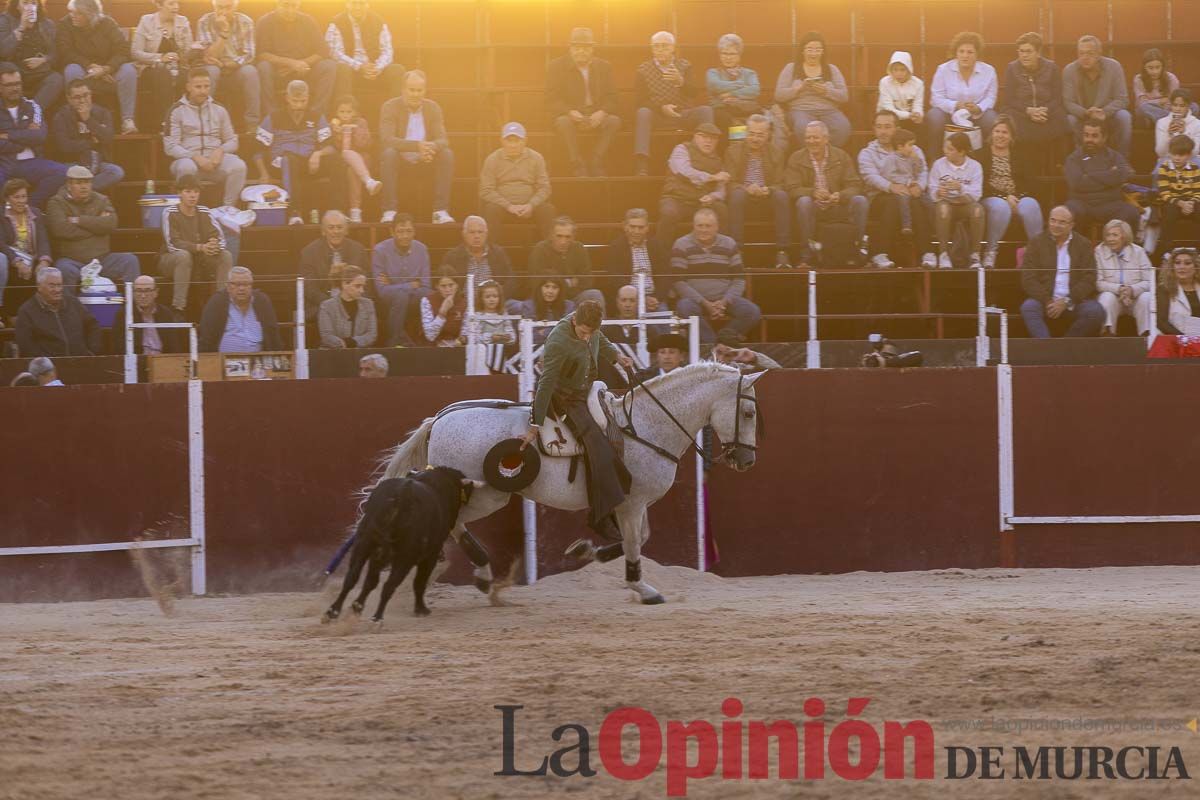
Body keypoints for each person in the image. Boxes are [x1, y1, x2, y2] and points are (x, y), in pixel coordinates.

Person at [522, 299, 634, 541]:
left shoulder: (591, 328)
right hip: (565, 398)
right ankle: (600, 516)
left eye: (590, 332)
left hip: (587, 390)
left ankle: (613, 503)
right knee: (598, 446)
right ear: (574, 320)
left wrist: (617, 358)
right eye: (583, 332)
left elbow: (600, 341)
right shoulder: (558, 341)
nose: (586, 337)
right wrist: (535, 424)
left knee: (616, 434)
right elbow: (546, 383)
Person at [254, 79, 341, 226]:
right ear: (287, 98)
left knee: (338, 160)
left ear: (308, 98)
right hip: (281, 164)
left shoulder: (317, 116)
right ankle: (295, 212)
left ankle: (338, 211)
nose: (299, 105)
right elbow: (257, 149)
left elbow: (331, 146)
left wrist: (318, 154)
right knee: (289, 159)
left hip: (309, 163)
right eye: (295, 101)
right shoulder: (274, 117)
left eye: (303, 101)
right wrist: (264, 173)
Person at [858, 109, 936, 268]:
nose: (883, 131)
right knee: (894, 201)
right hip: (879, 197)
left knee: (915, 201)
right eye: (879, 127)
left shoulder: (912, 148)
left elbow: (923, 171)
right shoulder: (867, 153)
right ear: (874, 129)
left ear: (897, 128)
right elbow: (870, 176)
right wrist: (891, 186)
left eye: (887, 127)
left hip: (909, 193)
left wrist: (919, 187)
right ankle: (880, 254)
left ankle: (927, 253)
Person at [671, 207, 760, 344]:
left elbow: (739, 279)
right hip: (696, 300)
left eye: (708, 226)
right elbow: (679, 282)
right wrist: (706, 304)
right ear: (693, 226)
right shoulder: (681, 244)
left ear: (717, 227)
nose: (704, 230)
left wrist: (724, 302)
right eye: (700, 225)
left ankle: (723, 341)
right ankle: (712, 343)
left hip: (724, 299)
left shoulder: (729, 243)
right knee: (684, 307)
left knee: (752, 312)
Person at [785, 119, 867, 266]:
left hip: (837, 206)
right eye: (808, 137)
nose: (811, 141)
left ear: (826, 139)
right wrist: (812, 192)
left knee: (860, 201)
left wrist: (840, 195)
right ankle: (806, 255)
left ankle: (857, 249)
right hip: (812, 207)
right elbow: (791, 188)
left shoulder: (841, 156)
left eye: (815, 137)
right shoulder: (796, 158)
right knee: (803, 202)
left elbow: (855, 184)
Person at [45, 164, 138, 292]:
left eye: (88, 182)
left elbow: (111, 224)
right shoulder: (56, 202)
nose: (84, 187)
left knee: (130, 260)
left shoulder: (101, 200)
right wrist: (97, 228)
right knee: (64, 269)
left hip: (101, 259)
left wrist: (79, 220)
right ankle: (70, 310)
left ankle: (130, 306)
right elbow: (60, 229)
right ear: (68, 184)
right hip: (72, 261)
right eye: (79, 183)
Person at [379, 69, 454, 226]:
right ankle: (389, 211)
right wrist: (416, 146)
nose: (415, 94)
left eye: (419, 90)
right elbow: (387, 140)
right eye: (411, 90)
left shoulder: (433, 108)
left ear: (425, 91)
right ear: (403, 90)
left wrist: (431, 147)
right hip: (400, 160)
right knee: (388, 153)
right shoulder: (390, 107)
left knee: (446, 154)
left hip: (425, 160)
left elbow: (443, 140)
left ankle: (440, 211)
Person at [632, 31, 712, 176]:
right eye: (656, 46)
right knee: (642, 112)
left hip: (683, 114)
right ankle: (641, 163)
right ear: (652, 49)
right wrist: (661, 108)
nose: (660, 50)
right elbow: (640, 101)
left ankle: (706, 159)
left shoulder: (685, 66)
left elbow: (694, 92)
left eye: (665, 46)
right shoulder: (643, 70)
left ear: (673, 48)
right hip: (658, 116)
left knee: (706, 111)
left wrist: (680, 82)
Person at [164, 68, 246, 210]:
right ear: (188, 87)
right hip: (188, 161)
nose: (203, 91)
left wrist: (220, 150)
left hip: (215, 162)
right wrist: (194, 156)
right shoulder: (176, 110)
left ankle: (228, 209)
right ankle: (187, 211)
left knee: (239, 166)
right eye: (198, 87)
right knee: (186, 166)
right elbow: (170, 146)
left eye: (206, 86)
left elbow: (233, 140)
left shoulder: (219, 109)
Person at [1019, 204, 1104, 338]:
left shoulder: (1083, 244)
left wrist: (1066, 301)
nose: (1056, 225)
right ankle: (1047, 347)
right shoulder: (1036, 243)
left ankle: (1065, 345)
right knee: (1028, 307)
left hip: (1073, 301)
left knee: (1096, 311)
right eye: (1053, 220)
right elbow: (1028, 278)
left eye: (1062, 222)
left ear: (1072, 225)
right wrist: (1048, 301)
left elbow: (1089, 278)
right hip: (1045, 300)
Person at [545, 27, 619, 178]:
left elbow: (613, 97)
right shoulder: (555, 66)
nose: (581, 51)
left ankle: (596, 160)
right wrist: (569, 112)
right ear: (570, 48)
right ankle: (577, 163)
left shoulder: (604, 67)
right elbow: (551, 99)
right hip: (570, 115)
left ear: (592, 49)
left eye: (585, 48)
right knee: (563, 122)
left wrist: (602, 112)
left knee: (614, 121)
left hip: (596, 114)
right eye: (576, 47)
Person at [57, 0, 137, 134]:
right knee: (71, 70)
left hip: (109, 74)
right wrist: (90, 67)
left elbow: (123, 50)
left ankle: (127, 120)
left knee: (129, 70)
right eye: (71, 11)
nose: (72, 15)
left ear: (90, 15)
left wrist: (106, 69)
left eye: (78, 13)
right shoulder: (65, 24)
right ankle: (79, 119)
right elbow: (65, 52)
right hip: (84, 72)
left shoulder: (108, 23)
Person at [723, 113, 789, 268]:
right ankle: (737, 250)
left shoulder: (777, 152)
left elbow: (781, 183)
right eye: (751, 134)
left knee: (781, 196)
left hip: (767, 199)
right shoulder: (732, 151)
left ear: (768, 135)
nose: (755, 139)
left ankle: (782, 251)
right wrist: (746, 188)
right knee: (737, 194)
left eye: (760, 135)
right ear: (746, 133)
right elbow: (729, 183)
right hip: (742, 199)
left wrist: (769, 189)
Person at [976, 115, 1043, 269]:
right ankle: (990, 252)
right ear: (991, 134)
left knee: (1031, 205)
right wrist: (1004, 197)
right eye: (997, 131)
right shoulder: (980, 155)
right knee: (1001, 206)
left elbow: (1031, 182)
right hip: (990, 197)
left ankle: (1037, 253)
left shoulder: (1020, 155)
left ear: (1012, 136)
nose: (1000, 135)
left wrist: (1016, 197)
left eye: (1005, 132)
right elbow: (980, 185)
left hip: (1016, 197)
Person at [158, 173, 231, 312]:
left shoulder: (204, 211)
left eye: (196, 192)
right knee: (183, 256)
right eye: (188, 191)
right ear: (179, 193)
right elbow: (172, 244)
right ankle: (178, 307)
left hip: (199, 259)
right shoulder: (170, 212)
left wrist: (213, 246)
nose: (193, 196)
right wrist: (200, 247)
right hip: (171, 260)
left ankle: (223, 304)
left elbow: (221, 238)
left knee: (225, 255)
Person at [999, 32, 1069, 167]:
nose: (1024, 55)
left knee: (1062, 120)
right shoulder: (1012, 68)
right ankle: (1020, 164)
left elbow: (1057, 97)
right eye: (1021, 51)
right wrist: (1028, 111)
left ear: (1038, 53)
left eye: (1029, 51)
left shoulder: (1052, 68)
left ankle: (1059, 164)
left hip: (1046, 111)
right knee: (1010, 119)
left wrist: (1044, 110)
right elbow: (1009, 99)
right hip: (1021, 110)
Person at [255, 0, 335, 117]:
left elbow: (323, 51)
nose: (290, 10)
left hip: (305, 70)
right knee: (263, 67)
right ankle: (271, 115)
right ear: (277, 4)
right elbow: (261, 53)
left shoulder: (308, 21)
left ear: (299, 6)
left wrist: (302, 63)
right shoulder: (265, 22)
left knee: (329, 65)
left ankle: (318, 114)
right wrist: (290, 63)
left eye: (294, 6)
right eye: (286, 5)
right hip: (278, 72)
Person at [0, 62, 64, 208]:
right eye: (9, 85)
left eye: (18, 83)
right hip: (3, 163)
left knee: (62, 172)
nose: (15, 88)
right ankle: (6, 217)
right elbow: (32, 137)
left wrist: (7, 136)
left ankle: (28, 208)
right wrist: (26, 138)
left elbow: (39, 137)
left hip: (30, 163)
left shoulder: (33, 106)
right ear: (0, 88)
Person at [478, 121, 555, 242]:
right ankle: (493, 253)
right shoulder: (492, 159)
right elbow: (485, 190)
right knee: (490, 210)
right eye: (509, 140)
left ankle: (550, 252)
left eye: (517, 140)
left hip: (530, 207)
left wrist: (531, 205)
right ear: (502, 141)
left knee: (547, 209)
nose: (513, 145)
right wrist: (508, 206)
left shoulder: (536, 158)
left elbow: (545, 188)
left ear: (525, 141)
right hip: (503, 207)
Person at [773, 30, 850, 147]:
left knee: (843, 127)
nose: (813, 54)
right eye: (809, 49)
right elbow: (779, 95)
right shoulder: (791, 68)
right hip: (801, 110)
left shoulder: (832, 69)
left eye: (818, 50)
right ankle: (811, 156)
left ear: (823, 52)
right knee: (803, 127)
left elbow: (844, 96)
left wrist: (826, 91)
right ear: (802, 51)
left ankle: (828, 155)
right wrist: (798, 89)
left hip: (829, 110)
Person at [657, 122, 728, 247]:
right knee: (669, 213)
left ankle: (721, 253)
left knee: (721, 209)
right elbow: (683, 171)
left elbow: (721, 190)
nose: (709, 142)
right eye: (704, 137)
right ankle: (661, 255)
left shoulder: (717, 161)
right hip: (676, 198)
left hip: (699, 202)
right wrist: (711, 177)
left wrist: (712, 197)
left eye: (713, 138)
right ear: (695, 136)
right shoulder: (682, 149)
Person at [927, 31, 997, 156]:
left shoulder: (989, 71)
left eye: (970, 52)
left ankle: (987, 162)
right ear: (956, 53)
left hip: (977, 114)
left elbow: (991, 97)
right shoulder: (943, 69)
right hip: (948, 113)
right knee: (934, 117)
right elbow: (936, 98)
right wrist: (955, 105)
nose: (965, 56)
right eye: (961, 51)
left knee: (992, 119)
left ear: (977, 54)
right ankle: (934, 160)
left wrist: (978, 108)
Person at [195, 0, 260, 135]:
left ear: (235, 8)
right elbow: (208, 56)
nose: (223, 12)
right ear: (214, 7)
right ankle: (204, 122)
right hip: (214, 70)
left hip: (236, 71)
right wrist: (224, 32)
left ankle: (252, 124)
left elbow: (249, 55)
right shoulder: (204, 22)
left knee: (250, 71)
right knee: (211, 71)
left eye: (228, 7)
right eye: (220, 7)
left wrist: (225, 64)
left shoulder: (245, 22)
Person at [1064, 119, 1138, 231]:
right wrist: (1109, 175)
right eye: (1086, 135)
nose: (1089, 140)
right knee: (1069, 211)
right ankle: (1076, 246)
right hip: (1082, 203)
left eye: (1094, 136)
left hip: (1109, 204)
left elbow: (1122, 175)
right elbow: (1077, 183)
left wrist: (1088, 176)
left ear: (1104, 137)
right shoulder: (1073, 158)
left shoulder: (1115, 156)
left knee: (1130, 211)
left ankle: (1114, 247)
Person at [1063, 35, 1131, 156]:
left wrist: (1104, 112)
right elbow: (1068, 102)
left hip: (1107, 117)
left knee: (1124, 116)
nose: (1085, 57)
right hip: (1083, 117)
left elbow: (1122, 99)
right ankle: (1082, 160)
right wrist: (1086, 113)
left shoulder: (1114, 66)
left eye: (1089, 53)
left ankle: (1121, 160)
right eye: (1081, 53)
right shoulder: (1069, 70)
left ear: (1099, 54)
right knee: (1070, 119)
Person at [324, 0, 404, 102]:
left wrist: (376, 68)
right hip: (351, 71)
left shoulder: (379, 21)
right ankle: (344, 113)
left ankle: (394, 112)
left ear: (367, 4)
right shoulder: (336, 22)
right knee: (342, 69)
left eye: (361, 3)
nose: (358, 7)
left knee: (397, 69)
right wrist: (359, 66)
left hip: (374, 71)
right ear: (347, 4)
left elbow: (388, 51)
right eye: (354, 3)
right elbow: (334, 53)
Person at [50, 79, 121, 193]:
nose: (82, 100)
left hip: (98, 161)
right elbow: (64, 146)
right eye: (77, 97)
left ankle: (79, 192)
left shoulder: (102, 113)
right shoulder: (61, 116)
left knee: (116, 172)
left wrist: (88, 119)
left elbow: (108, 139)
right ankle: (81, 192)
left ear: (91, 94)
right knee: (59, 174)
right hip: (73, 163)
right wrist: (91, 143)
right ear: (69, 99)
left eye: (85, 95)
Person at [299, 209, 366, 327]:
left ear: (346, 230)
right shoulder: (309, 252)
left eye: (340, 227)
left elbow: (366, 282)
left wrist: (349, 300)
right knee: (331, 312)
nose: (336, 231)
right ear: (323, 231)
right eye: (331, 227)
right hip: (322, 303)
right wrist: (329, 279)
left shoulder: (358, 250)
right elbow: (310, 290)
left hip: (353, 300)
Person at [131, 0, 193, 126]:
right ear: (159, 5)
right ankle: (167, 122)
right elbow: (135, 52)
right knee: (163, 74)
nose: (176, 7)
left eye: (177, 3)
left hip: (177, 67)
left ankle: (188, 122)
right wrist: (160, 57)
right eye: (171, 3)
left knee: (187, 76)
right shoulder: (146, 21)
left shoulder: (183, 21)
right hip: (152, 68)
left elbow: (189, 51)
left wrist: (183, 55)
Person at [372, 212, 429, 346]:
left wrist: (394, 286)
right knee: (400, 297)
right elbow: (382, 291)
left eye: (409, 231)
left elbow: (426, 287)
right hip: (389, 302)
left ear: (414, 232)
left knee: (428, 296)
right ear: (392, 232)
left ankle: (424, 341)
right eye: (400, 231)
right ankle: (394, 341)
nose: (405, 236)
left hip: (415, 298)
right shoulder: (380, 251)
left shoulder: (422, 249)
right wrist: (411, 285)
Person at [15, 264, 99, 355]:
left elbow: (92, 324)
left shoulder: (73, 302)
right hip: (50, 367)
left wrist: (92, 351)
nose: (57, 290)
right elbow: (26, 345)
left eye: (59, 285)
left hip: (81, 363)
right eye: (52, 286)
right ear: (39, 286)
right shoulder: (26, 311)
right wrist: (46, 364)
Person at [928, 132, 984, 268]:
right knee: (943, 209)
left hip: (965, 205)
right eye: (945, 147)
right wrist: (938, 192)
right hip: (945, 203)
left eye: (950, 149)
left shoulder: (975, 166)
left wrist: (960, 187)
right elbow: (931, 189)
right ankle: (943, 254)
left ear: (962, 152)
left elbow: (977, 194)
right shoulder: (938, 164)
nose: (945, 151)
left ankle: (975, 255)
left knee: (978, 210)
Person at [525, 215, 604, 310]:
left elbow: (587, 280)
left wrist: (560, 285)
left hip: (573, 298)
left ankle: (599, 325)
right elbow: (537, 282)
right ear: (551, 235)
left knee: (595, 294)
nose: (563, 241)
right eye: (559, 236)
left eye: (568, 237)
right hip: (548, 298)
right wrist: (569, 282)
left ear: (573, 237)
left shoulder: (579, 248)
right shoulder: (540, 249)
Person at [198, 265, 282, 352]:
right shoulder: (217, 302)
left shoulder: (262, 301)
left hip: (258, 362)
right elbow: (206, 337)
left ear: (251, 285)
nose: (241, 288)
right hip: (223, 362)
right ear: (228, 286)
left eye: (246, 284)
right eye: (237, 284)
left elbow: (273, 335)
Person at [0, 0, 62, 112]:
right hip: (14, 70)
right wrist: (22, 27)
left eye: (33, 3)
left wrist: (44, 59)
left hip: (39, 72)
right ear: (17, 5)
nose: (30, 7)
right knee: (7, 70)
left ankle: (32, 112)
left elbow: (56, 53)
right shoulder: (4, 21)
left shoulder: (47, 24)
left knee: (56, 79)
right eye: (25, 2)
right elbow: (3, 51)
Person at [1094, 219, 1152, 336]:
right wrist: (1119, 289)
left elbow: (1150, 281)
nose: (1110, 239)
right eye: (1107, 235)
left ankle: (1146, 337)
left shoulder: (1139, 252)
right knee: (1106, 297)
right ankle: (1108, 335)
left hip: (1135, 298)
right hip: (1115, 298)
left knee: (1146, 298)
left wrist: (1132, 290)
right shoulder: (1099, 251)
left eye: (1115, 235)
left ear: (1124, 237)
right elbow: (1098, 283)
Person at [442, 215, 515, 305]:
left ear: (486, 234)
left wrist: (497, 300)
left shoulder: (498, 253)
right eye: (472, 232)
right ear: (464, 234)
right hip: (463, 306)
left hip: (494, 304)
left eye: (480, 232)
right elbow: (445, 284)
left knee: (518, 306)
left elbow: (510, 281)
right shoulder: (452, 256)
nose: (477, 236)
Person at [604, 207, 666, 312]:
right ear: (625, 227)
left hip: (653, 298)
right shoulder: (616, 246)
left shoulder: (656, 246)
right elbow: (614, 277)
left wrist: (656, 298)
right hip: (628, 299)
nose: (636, 231)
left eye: (640, 227)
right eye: (632, 227)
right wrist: (639, 298)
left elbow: (665, 275)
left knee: (663, 320)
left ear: (647, 228)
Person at [329, 95, 379, 223]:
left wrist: (354, 131)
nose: (345, 115)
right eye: (342, 112)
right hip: (343, 159)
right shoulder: (335, 124)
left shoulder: (361, 122)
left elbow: (366, 144)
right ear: (336, 112)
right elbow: (337, 147)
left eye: (349, 112)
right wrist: (338, 133)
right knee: (345, 153)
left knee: (352, 171)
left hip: (362, 157)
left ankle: (355, 212)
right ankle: (368, 181)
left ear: (355, 112)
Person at [1152, 134, 1200, 260]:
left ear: (1189, 155)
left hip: (1190, 201)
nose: (1177, 158)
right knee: (1169, 211)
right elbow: (1164, 192)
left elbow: (1197, 191)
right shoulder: (1164, 168)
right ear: (1170, 153)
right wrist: (1181, 203)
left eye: (1181, 155)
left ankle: (1198, 250)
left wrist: (1191, 203)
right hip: (1172, 201)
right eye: (1174, 154)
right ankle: (1167, 250)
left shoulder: (1195, 169)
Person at [111, 274, 185, 354]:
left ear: (156, 292)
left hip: (161, 361)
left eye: (147, 290)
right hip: (137, 362)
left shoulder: (166, 313)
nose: (143, 295)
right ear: (133, 293)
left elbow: (174, 345)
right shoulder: (123, 314)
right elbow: (119, 348)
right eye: (139, 290)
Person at [0, 178, 49, 291]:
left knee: (46, 273)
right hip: (11, 260)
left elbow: (43, 240)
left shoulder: (35, 213)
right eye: (16, 197)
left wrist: (44, 262)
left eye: (24, 196)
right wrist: (19, 263)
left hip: (32, 260)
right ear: (7, 198)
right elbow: (1, 244)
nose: (21, 201)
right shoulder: (1, 215)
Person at [706, 33, 761, 134]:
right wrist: (741, 85)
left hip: (745, 109)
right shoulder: (712, 72)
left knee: (758, 121)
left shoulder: (749, 73)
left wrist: (730, 94)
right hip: (722, 110)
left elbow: (755, 90)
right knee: (727, 121)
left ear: (739, 55)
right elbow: (715, 86)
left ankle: (743, 142)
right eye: (724, 53)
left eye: (732, 54)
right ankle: (736, 145)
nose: (728, 57)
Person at [318, 263, 376, 348]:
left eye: (363, 286)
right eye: (358, 286)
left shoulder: (368, 304)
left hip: (360, 353)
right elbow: (326, 336)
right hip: (334, 353)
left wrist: (354, 342)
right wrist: (343, 344)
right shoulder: (327, 306)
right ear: (344, 284)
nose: (362, 290)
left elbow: (372, 334)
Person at [1155, 247, 1200, 335]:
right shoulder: (1164, 289)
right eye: (1177, 263)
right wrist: (1184, 339)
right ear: (1172, 267)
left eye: (1187, 263)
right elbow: (1161, 322)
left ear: (1196, 267)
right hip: (1175, 339)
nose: (1181, 267)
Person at [1134, 48, 1181, 129]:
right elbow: (1141, 103)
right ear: (1144, 67)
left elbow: (1173, 101)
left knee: (1194, 107)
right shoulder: (1139, 79)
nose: (1155, 71)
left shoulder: (1171, 78)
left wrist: (1152, 102)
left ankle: (1163, 122)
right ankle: (1171, 122)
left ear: (1163, 66)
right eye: (1150, 68)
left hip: (1170, 109)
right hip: (1148, 111)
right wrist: (1160, 101)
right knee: (1143, 108)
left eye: (1158, 67)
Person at [876, 51, 924, 131]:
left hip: (909, 118)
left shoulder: (918, 83)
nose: (898, 73)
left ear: (908, 70)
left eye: (902, 70)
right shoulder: (884, 82)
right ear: (891, 69)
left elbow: (918, 105)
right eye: (895, 70)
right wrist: (909, 115)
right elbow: (888, 108)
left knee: (921, 127)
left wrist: (918, 114)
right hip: (887, 117)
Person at [420, 265, 465, 346]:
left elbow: (467, 333)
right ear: (437, 286)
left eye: (451, 285)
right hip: (434, 348)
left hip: (458, 347)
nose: (447, 290)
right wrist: (442, 312)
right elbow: (430, 336)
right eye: (443, 286)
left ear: (457, 285)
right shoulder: (427, 301)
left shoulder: (464, 302)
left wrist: (462, 340)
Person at [520, 275, 572, 344]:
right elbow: (531, 336)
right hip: (535, 351)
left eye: (555, 287)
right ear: (540, 288)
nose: (550, 291)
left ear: (560, 290)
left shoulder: (569, 306)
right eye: (546, 286)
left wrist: (544, 332)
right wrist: (555, 330)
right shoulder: (528, 306)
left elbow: (567, 332)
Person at [1154, 89, 1200, 158]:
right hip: (1168, 160)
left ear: (1188, 106)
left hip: (1189, 161)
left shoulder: (1197, 124)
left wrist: (1184, 134)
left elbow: (1194, 153)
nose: (1177, 109)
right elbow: (1160, 153)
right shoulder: (1162, 122)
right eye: (1175, 105)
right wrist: (1168, 135)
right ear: (1171, 105)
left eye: (1182, 106)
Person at [473, 278, 514, 344]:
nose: (491, 299)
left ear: (500, 298)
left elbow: (512, 336)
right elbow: (474, 338)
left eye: (495, 296)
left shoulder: (503, 314)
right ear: (481, 299)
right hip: (483, 352)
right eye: (487, 297)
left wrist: (508, 337)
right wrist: (490, 337)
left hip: (502, 351)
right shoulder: (478, 315)